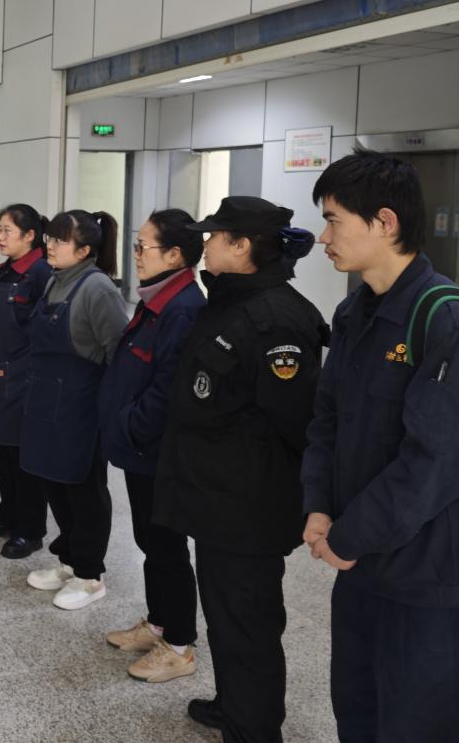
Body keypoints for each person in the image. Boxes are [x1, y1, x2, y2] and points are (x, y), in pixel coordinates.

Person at [301, 150, 459, 743]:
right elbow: (327, 421)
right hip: (363, 567)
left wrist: (348, 536)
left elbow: (438, 462)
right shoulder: (353, 312)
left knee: (425, 724)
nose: (323, 237)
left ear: (385, 222)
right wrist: (319, 507)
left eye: (333, 221)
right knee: (360, 712)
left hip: (431, 577)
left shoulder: (450, 323)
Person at [153, 196, 327, 742]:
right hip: (217, 497)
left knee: (249, 622)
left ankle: (255, 727)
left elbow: (295, 421)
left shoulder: (275, 320)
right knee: (225, 615)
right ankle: (233, 705)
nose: (205, 244)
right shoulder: (229, 301)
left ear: (242, 245)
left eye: (214, 236)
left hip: (248, 506)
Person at [99, 209, 205, 683]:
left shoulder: (183, 308)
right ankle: (159, 623)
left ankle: (179, 644)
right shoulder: (157, 297)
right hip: (140, 448)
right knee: (149, 540)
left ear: (176, 254)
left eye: (144, 247)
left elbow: (167, 390)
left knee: (166, 546)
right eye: (136, 245)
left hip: (155, 449)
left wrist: (129, 425)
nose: (136, 254)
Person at [23, 210, 129, 611]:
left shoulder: (97, 288)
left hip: (80, 407)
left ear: (84, 250)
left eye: (59, 240)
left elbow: (119, 353)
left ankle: (89, 575)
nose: (49, 245)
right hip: (46, 400)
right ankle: (69, 560)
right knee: (55, 483)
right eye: (49, 238)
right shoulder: (56, 279)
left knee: (85, 492)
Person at [0, 203, 52, 559]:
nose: (0, 237)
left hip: (22, 380)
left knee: (23, 459)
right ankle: (8, 513)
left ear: (30, 235)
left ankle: (30, 529)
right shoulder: (1, 272)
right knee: (1, 452)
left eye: (7, 230)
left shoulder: (40, 273)